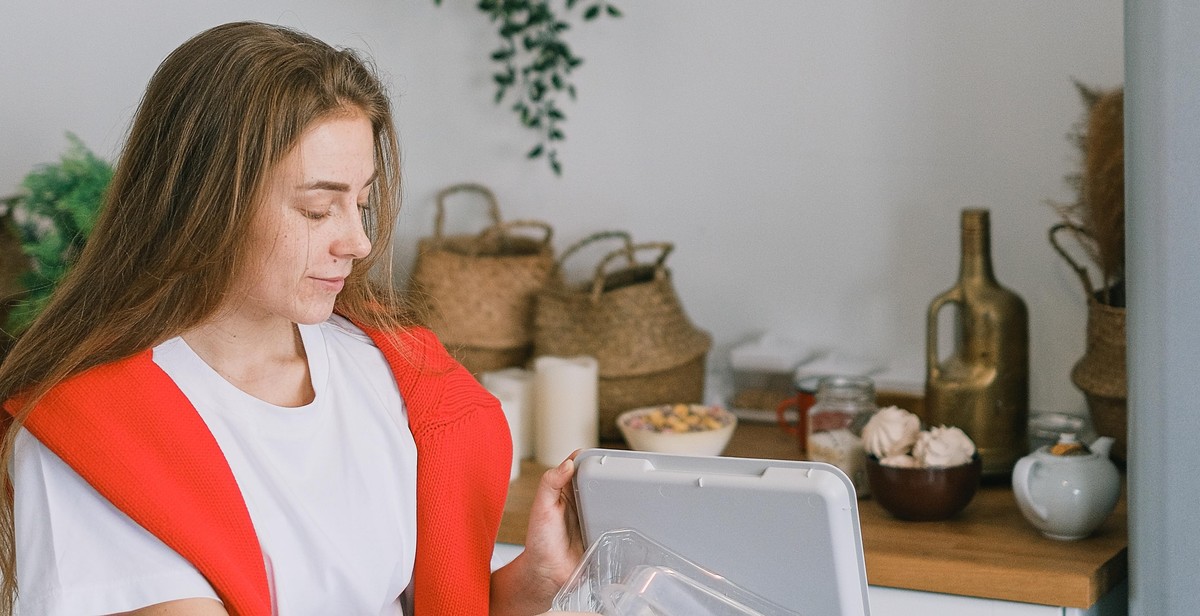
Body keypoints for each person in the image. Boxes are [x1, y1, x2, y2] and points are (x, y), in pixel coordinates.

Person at [0, 21, 592, 616]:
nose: (359, 242)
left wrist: (539, 579)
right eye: (316, 210)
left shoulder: (386, 372)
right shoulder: (90, 431)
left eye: (360, 203)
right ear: (206, 204)